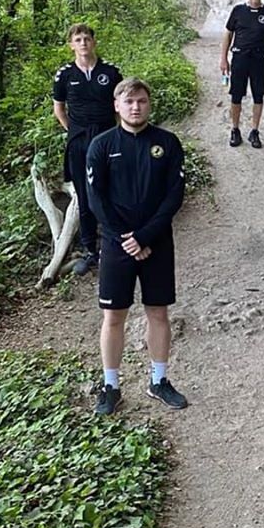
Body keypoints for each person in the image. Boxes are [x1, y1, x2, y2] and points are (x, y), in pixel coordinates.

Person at [85, 78, 188, 416]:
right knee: (113, 316)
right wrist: (125, 238)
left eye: (141, 101)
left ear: (149, 104)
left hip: (156, 240)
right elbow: (96, 199)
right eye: (129, 101)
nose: (135, 107)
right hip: (117, 245)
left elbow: (174, 195)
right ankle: (111, 386)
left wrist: (144, 236)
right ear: (117, 105)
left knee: (158, 312)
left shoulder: (167, 143)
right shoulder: (101, 146)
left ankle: (159, 380)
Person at [53, 23, 123, 276]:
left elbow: (120, 106)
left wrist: (119, 135)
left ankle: (114, 242)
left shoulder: (111, 72)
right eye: (77, 39)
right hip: (79, 139)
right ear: (71, 44)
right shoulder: (65, 75)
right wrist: (74, 131)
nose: (83, 43)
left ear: (94, 42)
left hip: (107, 136)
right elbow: (59, 109)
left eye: (86, 38)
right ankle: (90, 250)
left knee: (112, 189)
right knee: (84, 194)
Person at [219, 0, 264, 149]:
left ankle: (254, 131)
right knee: (236, 95)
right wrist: (223, 58)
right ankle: (235, 129)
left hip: (259, 60)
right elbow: (228, 35)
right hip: (239, 58)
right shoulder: (238, 11)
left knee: (258, 96)